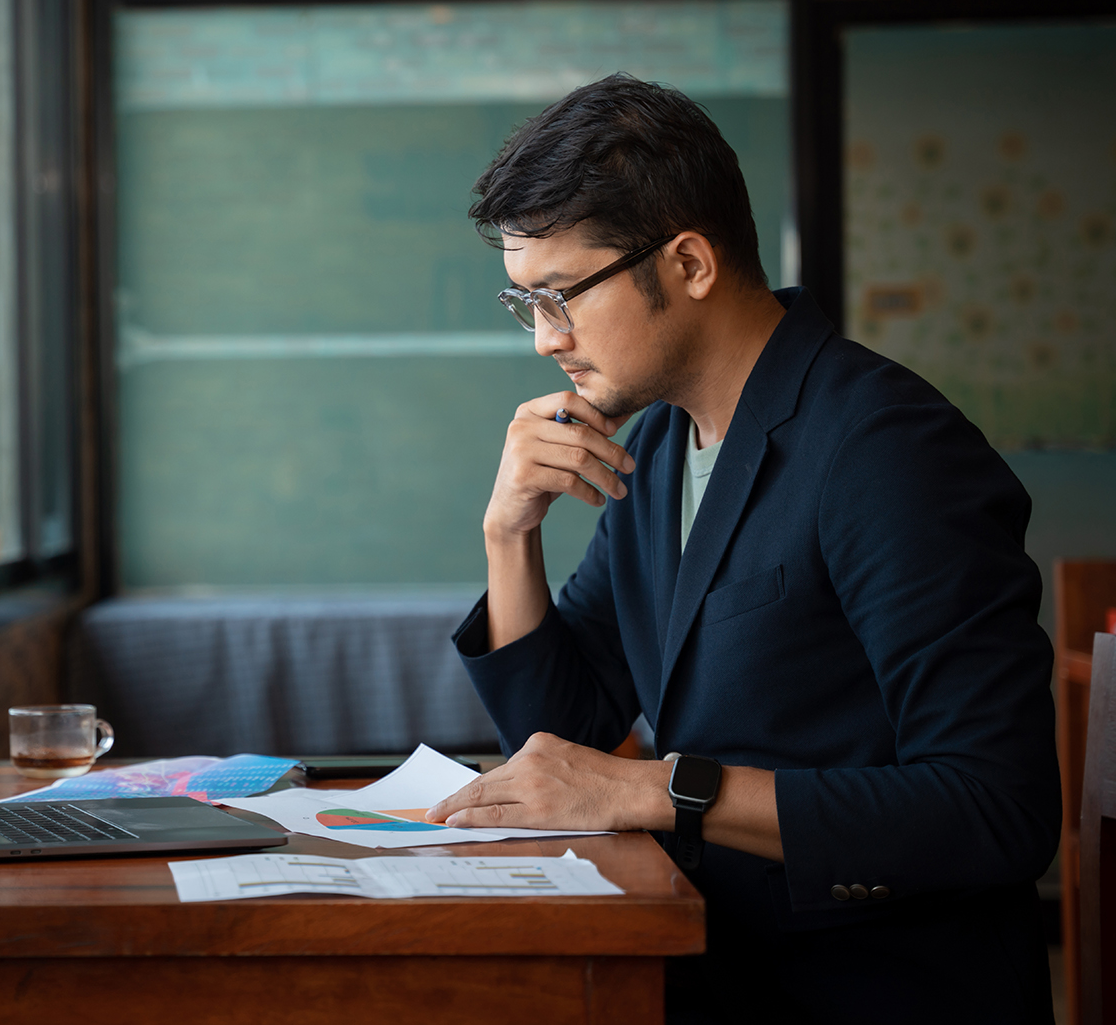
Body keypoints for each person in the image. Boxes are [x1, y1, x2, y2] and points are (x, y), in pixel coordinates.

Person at [424, 74, 1060, 1024]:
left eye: (560, 297)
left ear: (687, 263)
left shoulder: (884, 449)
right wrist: (507, 533)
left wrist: (657, 789)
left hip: (870, 988)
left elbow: (991, 811)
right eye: (528, 305)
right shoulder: (658, 443)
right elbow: (566, 735)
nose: (546, 341)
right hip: (708, 964)